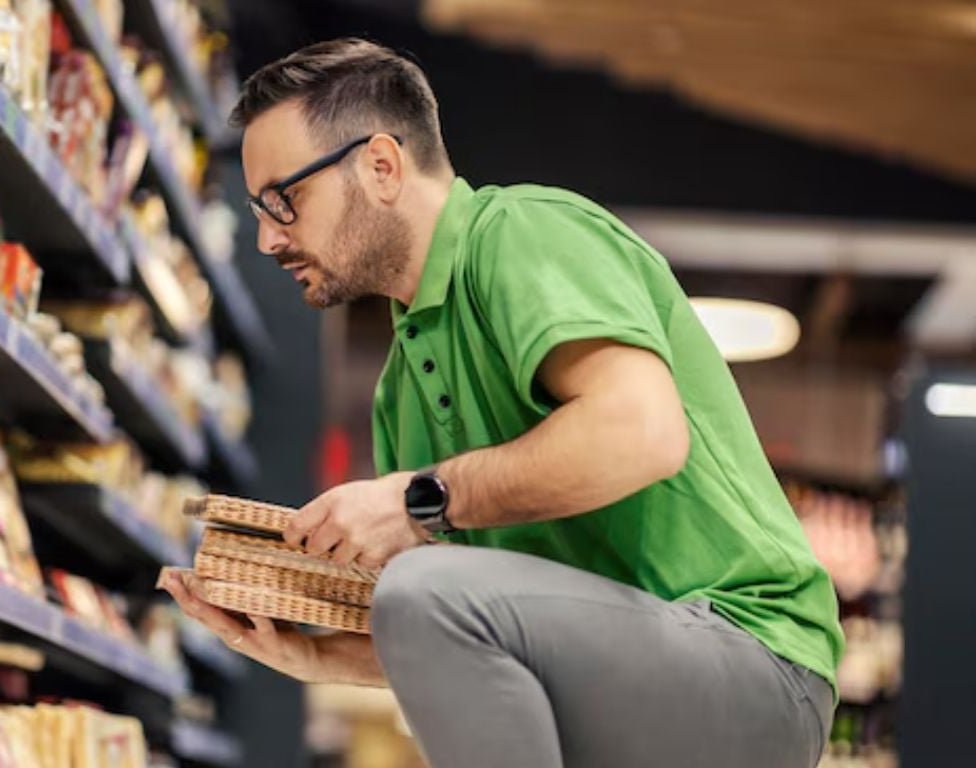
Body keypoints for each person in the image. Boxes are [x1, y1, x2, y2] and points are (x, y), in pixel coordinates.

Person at [160, 37, 842, 768]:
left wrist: (418, 498)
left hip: (753, 663)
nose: (266, 238)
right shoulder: (400, 391)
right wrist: (313, 656)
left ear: (381, 166)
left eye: (282, 200)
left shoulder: (521, 233)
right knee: (421, 596)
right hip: (634, 687)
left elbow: (644, 432)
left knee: (422, 586)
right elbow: (472, 644)